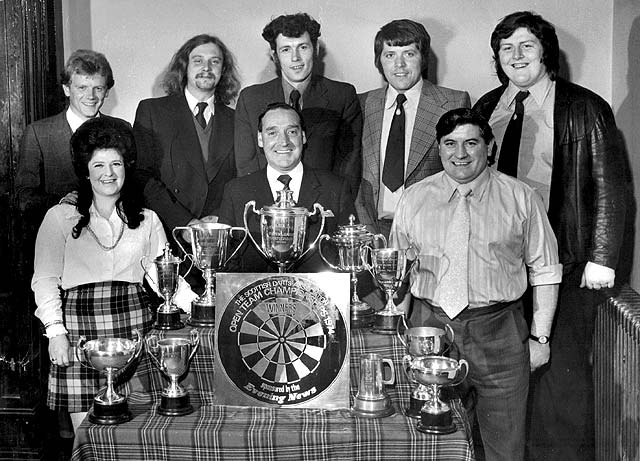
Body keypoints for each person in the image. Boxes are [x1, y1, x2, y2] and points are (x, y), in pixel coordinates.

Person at [473, 11, 627, 460]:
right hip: (502, 264)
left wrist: (603, 256)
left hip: (567, 262)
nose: (516, 55)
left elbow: (609, 184)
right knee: (506, 376)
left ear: (546, 52)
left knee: (561, 377)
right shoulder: (488, 107)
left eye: (526, 46)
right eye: (506, 48)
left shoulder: (583, 106)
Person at [390, 108, 562, 461]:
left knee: (505, 445)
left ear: (490, 147)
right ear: (439, 149)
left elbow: (545, 270)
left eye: (471, 143)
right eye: (450, 144)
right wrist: (396, 330)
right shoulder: (414, 197)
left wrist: (540, 338)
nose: (461, 153)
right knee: (432, 443)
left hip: (499, 332)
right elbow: (398, 272)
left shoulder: (521, 197)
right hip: (430, 330)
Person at [31, 117, 167, 432]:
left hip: (134, 330)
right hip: (79, 331)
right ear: (86, 170)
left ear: (126, 167)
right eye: (99, 165)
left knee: (135, 436)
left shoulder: (148, 220)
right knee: (88, 437)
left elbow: (164, 278)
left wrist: (201, 307)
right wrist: (55, 332)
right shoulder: (60, 216)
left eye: (116, 164)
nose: (108, 173)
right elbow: (46, 278)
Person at [355, 19, 470, 239]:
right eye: (390, 55)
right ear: (379, 61)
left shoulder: (454, 102)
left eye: (409, 54)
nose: (399, 64)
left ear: (423, 58)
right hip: (372, 232)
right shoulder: (362, 103)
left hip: (433, 231)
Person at [234, 13, 362, 195]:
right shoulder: (251, 99)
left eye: (303, 47)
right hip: (267, 210)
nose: (296, 58)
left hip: (323, 208)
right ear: (274, 56)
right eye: (286, 49)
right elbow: (246, 164)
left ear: (315, 49)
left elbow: (349, 164)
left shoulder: (341, 96)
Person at [219, 102, 356, 272]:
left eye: (292, 132)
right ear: (260, 139)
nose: (284, 142)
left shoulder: (336, 188)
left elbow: (351, 257)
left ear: (303, 137)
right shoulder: (236, 191)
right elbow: (226, 263)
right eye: (272, 133)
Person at [133, 34, 240, 233]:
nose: (206, 68)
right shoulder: (152, 111)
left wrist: (218, 218)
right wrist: (185, 223)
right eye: (198, 61)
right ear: (184, 66)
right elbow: (142, 176)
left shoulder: (237, 119)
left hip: (218, 233)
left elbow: (241, 178)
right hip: (167, 232)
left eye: (214, 62)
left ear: (223, 70)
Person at [16, 49, 119, 228]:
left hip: (113, 237)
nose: (91, 96)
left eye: (98, 88)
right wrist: (60, 203)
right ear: (66, 89)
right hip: (61, 238)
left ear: (107, 91)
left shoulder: (122, 129)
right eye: (82, 88)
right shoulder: (38, 133)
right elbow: (23, 196)